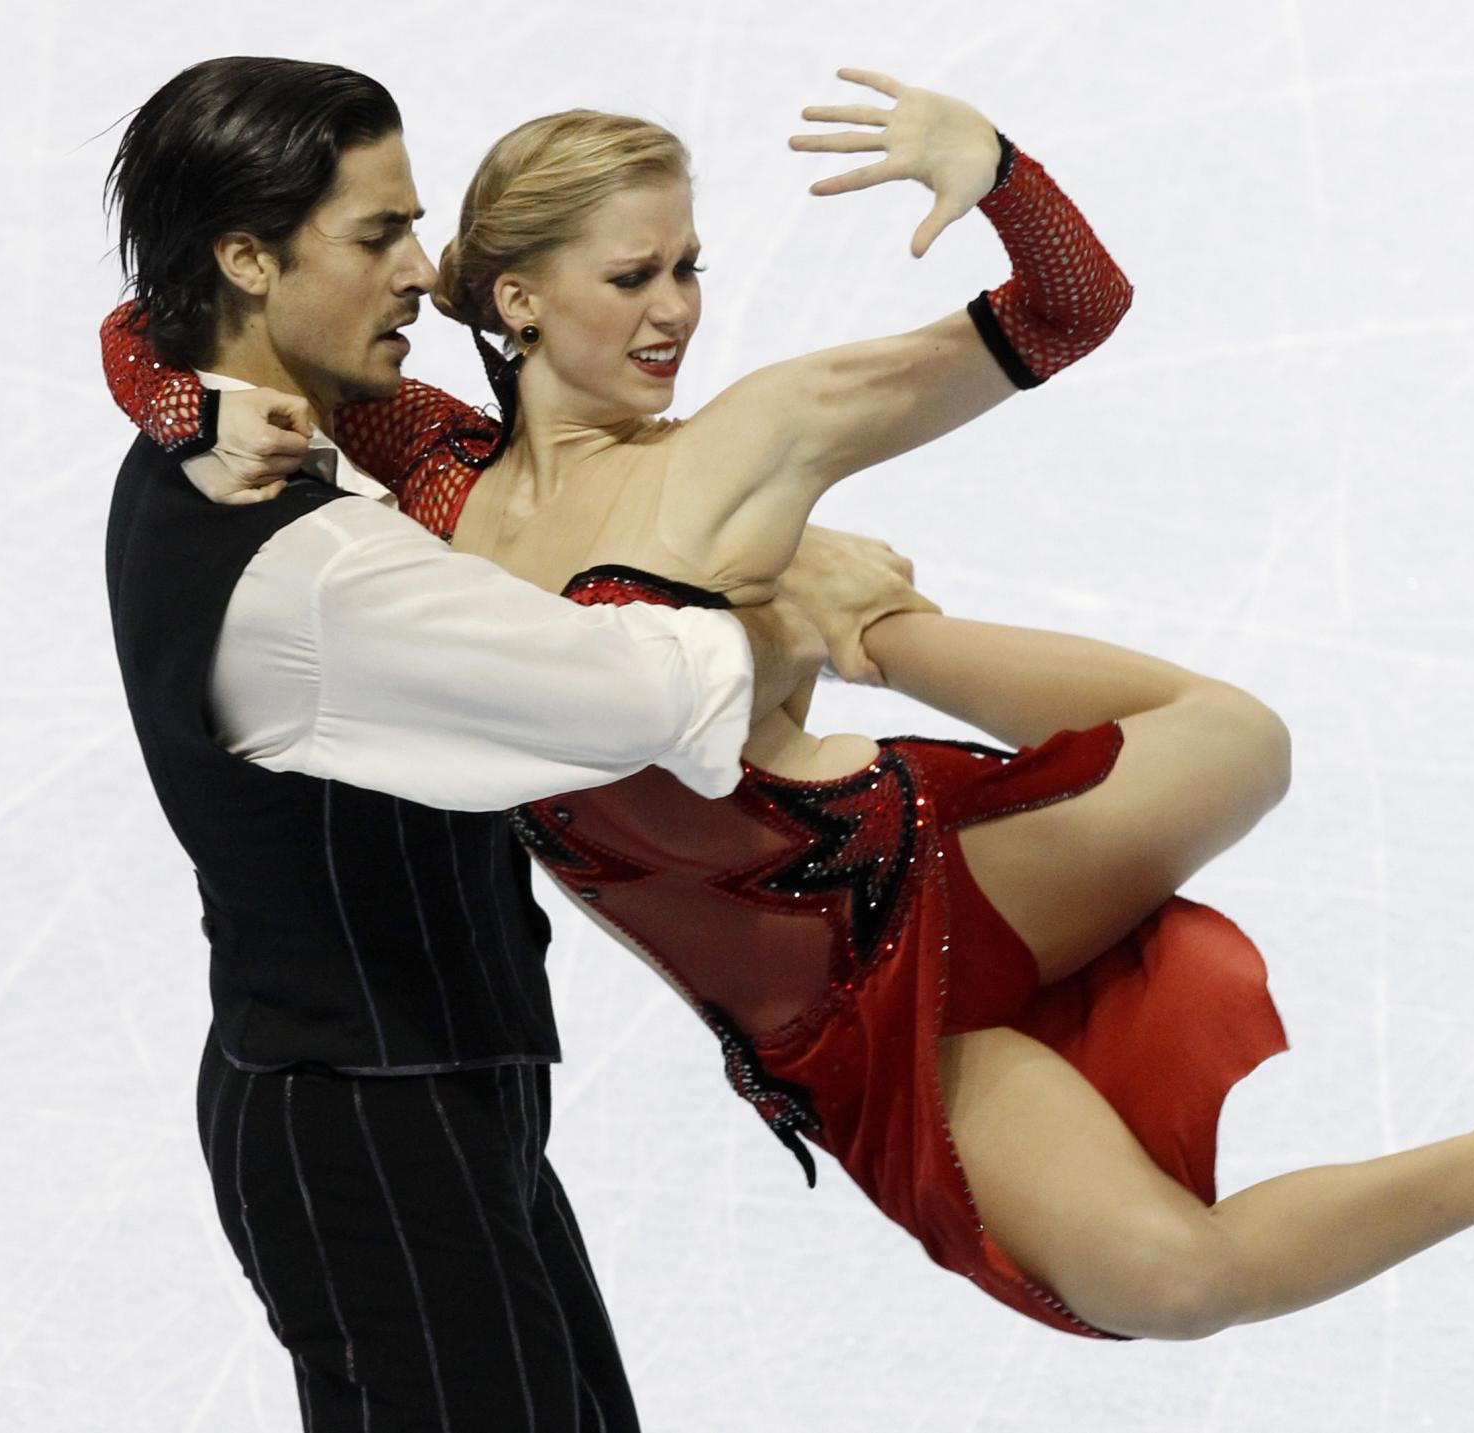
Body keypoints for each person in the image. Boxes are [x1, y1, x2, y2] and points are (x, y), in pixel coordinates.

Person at [105, 68, 1474, 1344]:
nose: (679, 311)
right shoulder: (425, 468)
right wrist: (177, 402)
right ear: (514, 295)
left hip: (899, 876)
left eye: (690, 268)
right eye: (634, 276)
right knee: (1166, 1279)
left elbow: (1070, 307)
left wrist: (991, 174)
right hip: (811, 1025)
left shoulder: (756, 431)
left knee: (1244, 741)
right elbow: (163, 310)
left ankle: (898, 632)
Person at [100, 56, 930, 1431]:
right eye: (377, 236)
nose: (424, 271)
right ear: (247, 259)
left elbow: (143, 321)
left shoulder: (278, 444)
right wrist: (791, 593)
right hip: (370, 1118)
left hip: (420, 1092)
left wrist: (179, 395)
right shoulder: (314, 568)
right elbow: (637, 695)